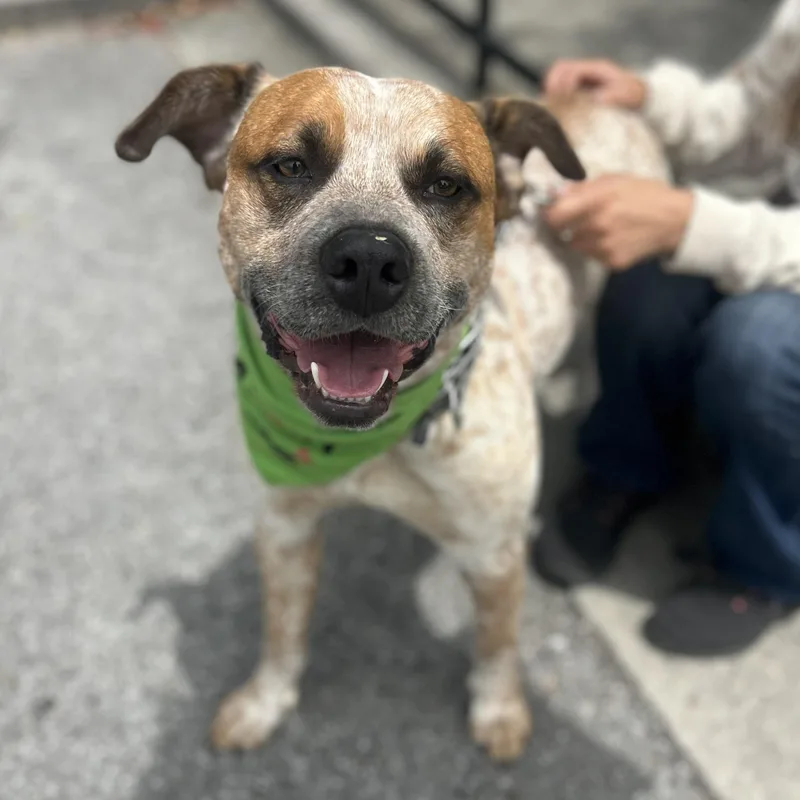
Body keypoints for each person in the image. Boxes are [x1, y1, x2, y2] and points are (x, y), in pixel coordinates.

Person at [531, 0, 800, 656]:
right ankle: (629, 463)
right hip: (774, 217)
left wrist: (690, 223)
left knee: (756, 347)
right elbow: (742, 107)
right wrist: (648, 96)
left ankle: (765, 564)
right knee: (644, 285)